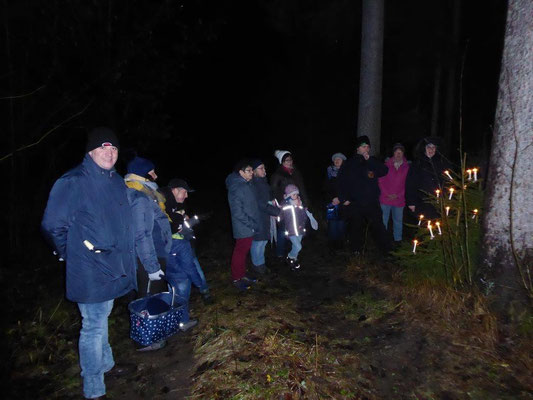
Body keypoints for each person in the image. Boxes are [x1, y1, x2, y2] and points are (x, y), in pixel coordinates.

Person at [41, 127, 136, 400]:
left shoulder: (116, 181)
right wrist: (69, 253)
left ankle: (107, 366)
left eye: (114, 148)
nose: (110, 153)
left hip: (113, 264)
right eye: (103, 148)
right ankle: (94, 389)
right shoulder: (73, 181)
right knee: (93, 324)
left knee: (102, 317)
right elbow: (51, 225)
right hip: (89, 267)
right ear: (90, 151)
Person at [124, 156, 172, 351]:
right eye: (151, 172)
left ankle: (153, 334)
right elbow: (141, 234)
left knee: (153, 296)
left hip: (155, 253)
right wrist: (152, 267)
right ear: (142, 174)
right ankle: (143, 341)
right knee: (147, 297)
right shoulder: (139, 197)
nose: (155, 175)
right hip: (147, 257)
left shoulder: (146, 194)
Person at [160, 179, 213, 305]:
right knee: (178, 277)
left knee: (193, 268)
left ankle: (204, 292)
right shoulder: (163, 206)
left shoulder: (179, 204)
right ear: (175, 190)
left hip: (186, 244)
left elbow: (184, 224)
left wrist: (194, 221)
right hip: (174, 249)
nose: (187, 195)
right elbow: (170, 228)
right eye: (184, 192)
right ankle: (176, 306)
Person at [337, 135, 391, 255]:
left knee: (378, 226)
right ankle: (356, 250)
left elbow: (384, 171)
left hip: (372, 202)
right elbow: (341, 181)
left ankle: (386, 250)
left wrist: (369, 160)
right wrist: (343, 198)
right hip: (355, 202)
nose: (366, 149)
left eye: (368, 147)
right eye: (363, 147)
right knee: (356, 227)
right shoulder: (349, 163)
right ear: (357, 149)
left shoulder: (371, 161)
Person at [225, 159, 260, 291]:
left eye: (252, 170)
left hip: (247, 224)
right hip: (243, 225)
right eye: (249, 171)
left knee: (243, 251)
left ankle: (242, 275)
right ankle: (236, 278)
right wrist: (250, 223)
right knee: (240, 251)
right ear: (241, 172)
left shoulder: (245, 184)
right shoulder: (237, 187)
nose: (252, 173)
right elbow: (237, 211)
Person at [270, 150, 310, 259]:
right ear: (281, 162)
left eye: (290, 159)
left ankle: (293, 251)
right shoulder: (278, 174)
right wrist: (282, 201)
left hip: (297, 203)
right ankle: (280, 252)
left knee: (297, 226)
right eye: (286, 160)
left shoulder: (296, 172)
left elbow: (301, 188)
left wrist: (305, 202)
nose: (289, 162)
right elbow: (273, 191)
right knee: (283, 228)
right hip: (285, 205)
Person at [405, 137, 452, 220]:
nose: (431, 149)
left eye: (433, 147)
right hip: (422, 201)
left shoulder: (441, 163)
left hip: (439, 202)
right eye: (429, 147)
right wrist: (411, 202)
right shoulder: (417, 164)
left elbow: (448, 181)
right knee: (424, 225)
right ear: (424, 149)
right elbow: (410, 184)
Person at [250, 159, 281, 274]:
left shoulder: (263, 182)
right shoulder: (253, 184)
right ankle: (256, 265)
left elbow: (268, 196)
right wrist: (276, 211)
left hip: (265, 217)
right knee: (258, 241)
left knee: (263, 241)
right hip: (258, 217)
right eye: (261, 168)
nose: (264, 170)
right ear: (254, 171)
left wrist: (272, 199)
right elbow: (259, 203)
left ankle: (261, 263)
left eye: (264, 168)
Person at [378, 143, 410, 243]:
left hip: (399, 199)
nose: (398, 154)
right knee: (384, 220)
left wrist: (398, 195)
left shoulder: (407, 168)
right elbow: (380, 181)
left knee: (398, 221)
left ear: (403, 154)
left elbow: (408, 184)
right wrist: (387, 194)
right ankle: (383, 239)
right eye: (396, 152)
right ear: (393, 153)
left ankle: (398, 240)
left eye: (400, 153)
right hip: (385, 198)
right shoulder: (386, 166)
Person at [279, 184, 308, 270]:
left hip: (299, 230)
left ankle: (294, 260)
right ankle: (290, 257)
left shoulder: (300, 203)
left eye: (296, 194)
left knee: (295, 247)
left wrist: (300, 207)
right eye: (293, 194)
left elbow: (304, 216)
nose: (296, 196)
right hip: (291, 230)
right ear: (288, 195)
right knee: (298, 246)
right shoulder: (285, 204)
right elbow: (281, 215)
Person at [324, 152, 347, 250]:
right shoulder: (329, 172)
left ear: (343, 161)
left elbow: (349, 188)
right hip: (331, 203)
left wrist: (342, 199)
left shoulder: (347, 173)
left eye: (339, 159)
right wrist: (332, 198)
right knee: (332, 224)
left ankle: (341, 245)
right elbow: (325, 188)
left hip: (343, 203)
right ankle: (332, 246)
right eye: (335, 159)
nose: (337, 161)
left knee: (341, 224)